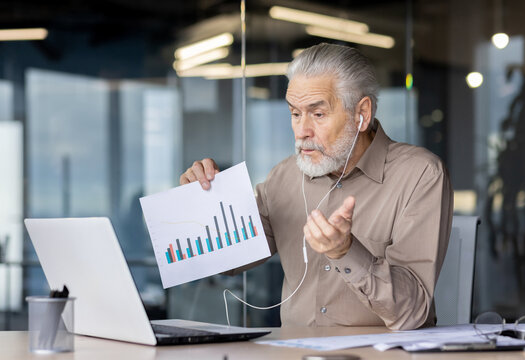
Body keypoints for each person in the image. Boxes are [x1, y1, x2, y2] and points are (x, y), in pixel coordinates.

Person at [180, 43, 453, 330]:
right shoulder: (284, 176)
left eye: (318, 114)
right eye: (295, 114)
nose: (301, 131)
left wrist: (345, 251)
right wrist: (202, 200)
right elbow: (224, 260)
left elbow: (413, 312)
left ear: (362, 114)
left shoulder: (420, 174)